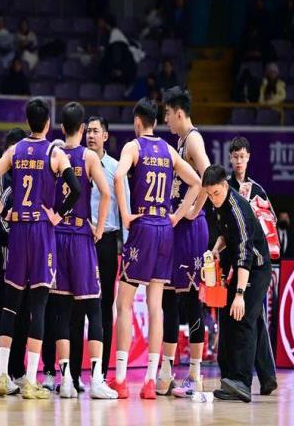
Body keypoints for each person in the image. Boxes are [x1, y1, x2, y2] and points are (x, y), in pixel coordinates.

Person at [0, 97, 81, 399]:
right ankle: (30, 381)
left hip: (18, 231)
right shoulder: (54, 152)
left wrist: (3, 211)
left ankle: (1, 376)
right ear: (48, 124)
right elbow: (76, 190)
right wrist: (57, 213)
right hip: (40, 230)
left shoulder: (15, 150)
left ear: (27, 122)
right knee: (38, 306)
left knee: (10, 305)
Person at [108, 98, 201, 399]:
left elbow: (119, 176)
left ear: (138, 121)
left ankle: (121, 378)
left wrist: (125, 214)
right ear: (156, 122)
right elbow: (197, 181)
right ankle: (151, 380)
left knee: (123, 303)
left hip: (143, 225)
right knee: (156, 306)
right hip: (165, 228)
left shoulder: (133, 147)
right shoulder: (168, 150)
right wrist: (179, 215)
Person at [50, 102, 117, 399]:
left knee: (62, 312)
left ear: (62, 127)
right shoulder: (89, 157)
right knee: (94, 308)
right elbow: (106, 193)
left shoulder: (53, 153)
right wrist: (99, 229)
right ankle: (97, 379)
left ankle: (66, 380)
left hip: (57, 236)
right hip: (80, 236)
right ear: (81, 128)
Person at [157, 87, 211, 398]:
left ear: (179, 113)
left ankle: (195, 374)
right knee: (168, 299)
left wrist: (193, 209)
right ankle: (166, 372)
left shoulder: (192, 139)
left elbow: (208, 175)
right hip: (177, 228)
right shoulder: (180, 141)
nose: (165, 119)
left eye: (167, 113)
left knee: (191, 301)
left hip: (190, 229)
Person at [203, 165, 272, 403]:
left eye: (216, 193)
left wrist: (240, 294)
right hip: (241, 268)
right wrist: (215, 249)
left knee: (243, 319)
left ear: (225, 186)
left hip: (256, 269)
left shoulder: (238, 210)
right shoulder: (218, 204)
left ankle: (242, 382)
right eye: (209, 195)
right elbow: (225, 234)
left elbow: (245, 256)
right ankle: (231, 379)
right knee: (228, 318)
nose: (213, 199)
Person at [226, 136, 278, 396]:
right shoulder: (225, 187)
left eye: (242, 157)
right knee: (249, 319)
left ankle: (252, 378)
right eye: (235, 157)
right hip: (233, 262)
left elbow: (271, 224)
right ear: (230, 158)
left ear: (248, 158)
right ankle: (263, 377)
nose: (239, 161)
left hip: (255, 263)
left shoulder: (257, 190)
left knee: (251, 318)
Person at [83, 116, 130, 380]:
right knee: (77, 303)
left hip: (107, 241)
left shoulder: (115, 168)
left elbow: (126, 209)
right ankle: (72, 374)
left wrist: (128, 246)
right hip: (80, 239)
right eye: (88, 131)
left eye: (95, 131)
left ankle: (99, 372)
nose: (91, 135)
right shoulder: (75, 163)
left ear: (105, 136)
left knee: (105, 303)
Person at [0, 127, 30, 388]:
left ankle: (17, 370)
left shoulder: (24, 173)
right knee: (2, 308)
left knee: (22, 312)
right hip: (2, 253)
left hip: (21, 254)